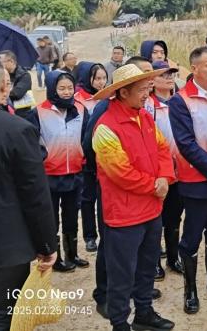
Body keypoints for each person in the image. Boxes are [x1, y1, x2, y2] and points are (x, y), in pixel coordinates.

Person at [92, 64, 175, 331]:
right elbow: (120, 172)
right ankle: (119, 322)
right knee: (122, 273)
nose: (147, 95)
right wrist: (154, 185)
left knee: (147, 265)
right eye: (141, 90)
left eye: (148, 89)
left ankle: (144, 312)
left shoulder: (145, 118)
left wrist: (165, 177)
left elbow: (163, 149)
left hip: (151, 209)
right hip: (124, 215)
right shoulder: (105, 128)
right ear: (123, 92)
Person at [0, 58, 58, 330]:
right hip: (7, 245)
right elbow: (35, 196)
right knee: (1, 314)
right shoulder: (16, 130)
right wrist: (47, 245)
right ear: (4, 86)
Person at [169, 46, 207, 314]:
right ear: (194, 68)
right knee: (192, 236)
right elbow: (185, 143)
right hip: (196, 179)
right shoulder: (181, 101)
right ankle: (190, 290)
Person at [28, 70, 90, 273]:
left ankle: (72, 254)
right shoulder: (38, 112)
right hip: (49, 175)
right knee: (52, 219)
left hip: (74, 173)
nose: (66, 92)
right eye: (61, 88)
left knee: (72, 216)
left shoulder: (80, 109)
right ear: (52, 89)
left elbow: (87, 137)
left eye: (70, 88)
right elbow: (32, 143)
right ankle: (56, 258)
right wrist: (43, 159)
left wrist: (83, 158)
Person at [150, 61, 185, 280]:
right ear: (152, 80)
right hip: (158, 172)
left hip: (180, 171)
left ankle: (173, 257)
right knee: (156, 218)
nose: (169, 77)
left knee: (174, 217)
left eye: (171, 73)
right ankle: (154, 261)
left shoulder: (180, 102)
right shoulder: (148, 105)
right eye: (163, 74)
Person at [74, 62, 108, 253]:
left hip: (105, 158)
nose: (101, 82)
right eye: (97, 78)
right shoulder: (78, 100)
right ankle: (89, 236)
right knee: (88, 199)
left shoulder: (109, 97)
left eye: (104, 78)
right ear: (88, 79)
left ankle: (105, 233)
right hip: (86, 159)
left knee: (104, 198)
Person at [0, 50, 33, 118]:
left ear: (11, 61)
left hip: (21, 112)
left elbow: (17, 94)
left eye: (1, 62)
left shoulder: (24, 75)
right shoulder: (2, 74)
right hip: (6, 110)